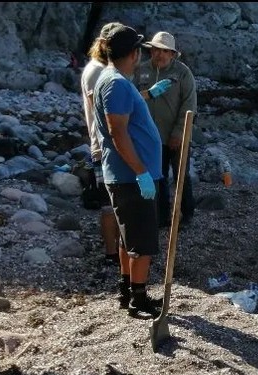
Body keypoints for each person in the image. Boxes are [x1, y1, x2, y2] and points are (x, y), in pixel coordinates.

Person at [93, 24, 163, 318]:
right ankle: (138, 297)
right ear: (133, 54)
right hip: (130, 176)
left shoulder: (112, 79)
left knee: (128, 237)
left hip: (125, 174)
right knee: (142, 240)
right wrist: (141, 171)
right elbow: (117, 131)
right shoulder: (117, 83)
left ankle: (127, 290)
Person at [134, 31, 197, 227]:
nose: (159, 55)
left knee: (181, 176)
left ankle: (186, 215)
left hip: (177, 135)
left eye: (164, 51)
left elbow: (189, 104)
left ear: (172, 54)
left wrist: (178, 133)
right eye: (156, 50)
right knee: (157, 176)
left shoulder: (183, 73)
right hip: (151, 137)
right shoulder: (140, 70)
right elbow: (132, 97)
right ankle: (161, 217)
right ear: (150, 51)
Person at [80, 21, 122, 265]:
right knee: (110, 204)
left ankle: (115, 251)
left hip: (103, 144)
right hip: (106, 146)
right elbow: (109, 109)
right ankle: (111, 252)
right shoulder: (98, 71)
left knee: (112, 203)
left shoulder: (96, 68)